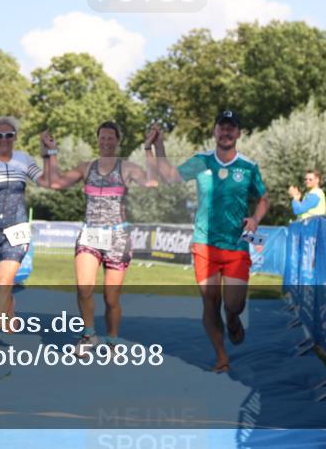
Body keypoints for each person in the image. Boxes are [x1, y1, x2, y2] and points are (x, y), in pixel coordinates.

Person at [151, 110, 269, 373]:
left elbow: (263, 198)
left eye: (231, 128)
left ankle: (234, 320)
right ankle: (221, 356)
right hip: (204, 244)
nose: (226, 132)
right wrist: (159, 146)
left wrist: (255, 219)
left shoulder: (249, 167)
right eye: (222, 127)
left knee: (233, 304)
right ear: (215, 131)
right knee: (210, 301)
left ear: (238, 134)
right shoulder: (201, 161)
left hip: (237, 245)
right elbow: (169, 176)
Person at [45, 121, 158, 355]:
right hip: (90, 235)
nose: (106, 142)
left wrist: (149, 148)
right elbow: (55, 183)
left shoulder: (126, 167)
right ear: (97, 140)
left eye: (110, 138)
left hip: (117, 237)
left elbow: (152, 183)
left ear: (118, 141)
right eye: (102, 138)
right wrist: (52, 152)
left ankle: (113, 339)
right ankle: (88, 335)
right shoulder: (87, 168)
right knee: (83, 289)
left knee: (111, 298)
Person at [0, 116, 54, 355]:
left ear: (15, 137)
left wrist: (49, 153)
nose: (4, 140)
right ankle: (9, 307)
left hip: (16, 231)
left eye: (9, 135)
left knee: (3, 283)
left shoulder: (24, 160)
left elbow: (47, 182)